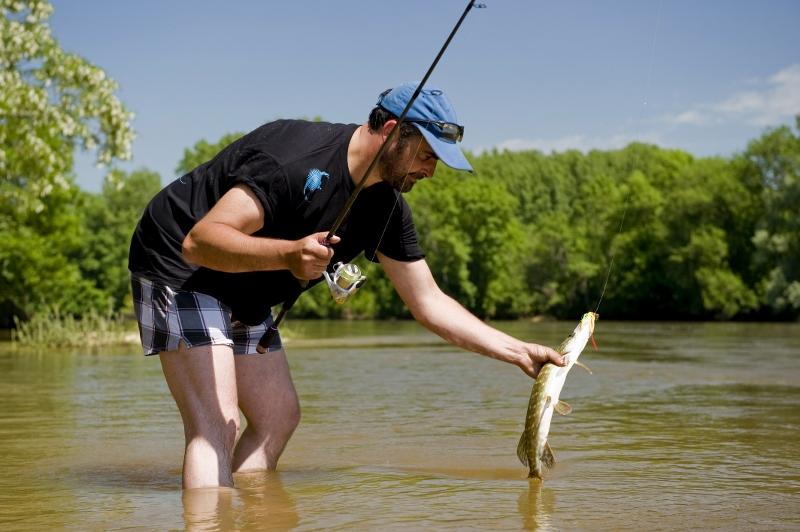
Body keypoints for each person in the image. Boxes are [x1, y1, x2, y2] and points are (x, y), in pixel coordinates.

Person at [128, 82, 564, 490]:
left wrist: (518, 351)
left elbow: (429, 302)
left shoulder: (386, 210)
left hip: (246, 284)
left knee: (278, 417)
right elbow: (200, 241)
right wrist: (287, 255)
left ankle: (249, 513)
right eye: (428, 155)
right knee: (217, 425)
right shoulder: (294, 159)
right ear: (393, 132)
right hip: (180, 262)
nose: (431, 171)